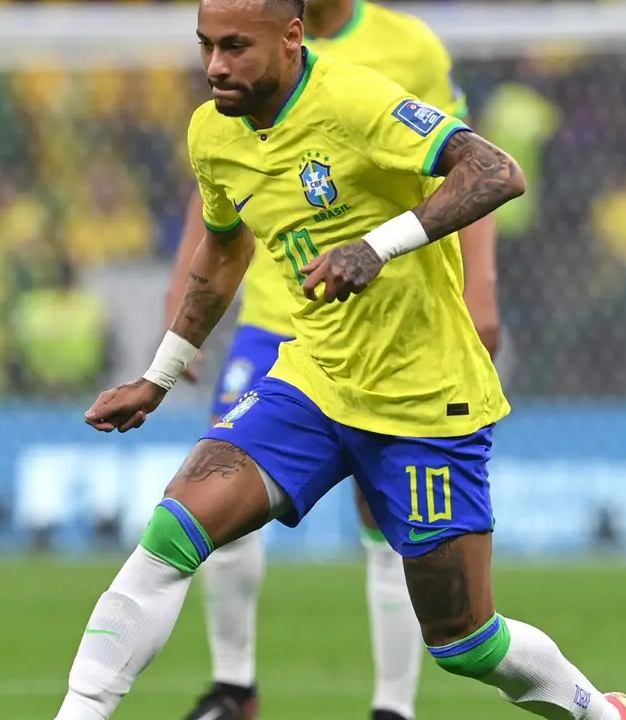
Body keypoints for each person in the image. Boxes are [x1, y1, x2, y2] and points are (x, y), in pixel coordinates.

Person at [54, 1, 626, 719]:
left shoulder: (355, 99)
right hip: (315, 381)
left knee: (464, 642)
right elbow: (225, 246)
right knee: (173, 531)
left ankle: (596, 712)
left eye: (236, 46)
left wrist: (376, 245)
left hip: (424, 401)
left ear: (291, 36)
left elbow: (496, 171)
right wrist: (159, 374)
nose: (216, 66)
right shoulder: (213, 132)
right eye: (206, 45)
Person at [162, 1, 498, 717]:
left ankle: (393, 706)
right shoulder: (243, 47)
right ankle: (234, 687)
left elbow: (465, 164)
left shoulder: (404, 47)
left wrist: (482, 284)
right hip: (271, 319)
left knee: (387, 521)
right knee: (213, 491)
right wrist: (178, 311)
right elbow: (221, 183)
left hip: (380, 317)